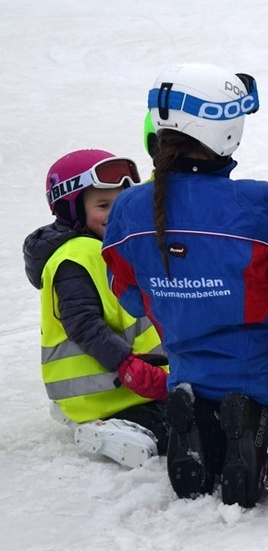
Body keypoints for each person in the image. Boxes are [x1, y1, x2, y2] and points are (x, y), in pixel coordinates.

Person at [102, 63, 268, 508]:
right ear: (226, 130)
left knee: (206, 390)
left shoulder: (128, 209)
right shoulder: (256, 203)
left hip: (191, 372)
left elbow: (126, 293)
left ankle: (204, 425)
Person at [23, 149, 169, 469]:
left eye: (119, 205)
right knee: (177, 432)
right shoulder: (76, 257)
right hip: (108, 389)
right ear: (71, 208)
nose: (113, 214)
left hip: (135, 384)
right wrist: (126, 364)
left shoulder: (113, 245)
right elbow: (84, 324)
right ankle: (102, 429)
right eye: (102, 206)